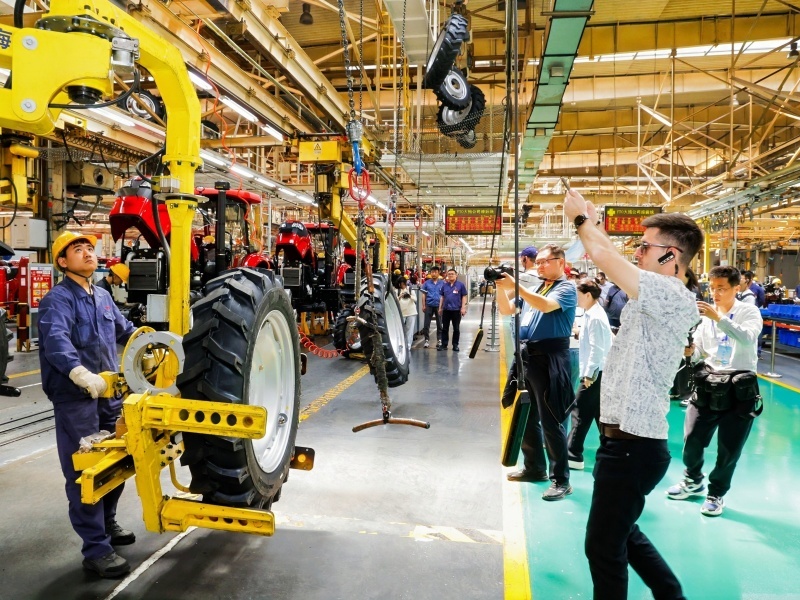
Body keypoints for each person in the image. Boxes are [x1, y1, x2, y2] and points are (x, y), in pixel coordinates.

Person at [565, 189, 704, 600]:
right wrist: (593, 225)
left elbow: (604, 257)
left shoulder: (670, 294)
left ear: (671, 256)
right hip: (623, 446)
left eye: (645, 247)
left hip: (634, 449)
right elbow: (608, 254)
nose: (638, 253)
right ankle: (671, 594)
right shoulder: (654, 292)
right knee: (623, 533)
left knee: (602, 547)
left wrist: (580, 221)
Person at [38, 232, 137, 578]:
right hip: (76, 398)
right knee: (85, 470)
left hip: (109, 394)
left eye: (90, 249)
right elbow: (56, 341)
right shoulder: (57, 300)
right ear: (62, 262)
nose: (87, 253)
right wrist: (79, 374)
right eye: (78, 249)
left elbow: (126, 331)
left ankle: (107, 523)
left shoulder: (104, 297)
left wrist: (151, 342)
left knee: (117, 461)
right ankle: (96, 550)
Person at [666, 266, 762, 516]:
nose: (715, 293)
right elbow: (701, 350)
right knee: (692, 437)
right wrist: (691, 351)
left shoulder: (749, 312)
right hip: (708, 384)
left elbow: (748, 337)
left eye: (722, 288)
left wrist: (719, 318)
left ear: (736, 288)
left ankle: (716, 493)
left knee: (729, 448)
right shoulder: (707, 316)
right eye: (712, 288)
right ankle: (693, 479)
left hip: (739, 388)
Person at [495, 244, 577, 501]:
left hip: (550, 358)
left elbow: (545, 306)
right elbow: (507, 310)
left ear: (560, 262)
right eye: (538, 262)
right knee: (527, 416)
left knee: (551, 420)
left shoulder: (565, 289)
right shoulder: (539, 288)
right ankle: (534, 467)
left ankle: (561, 480)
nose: (539, 266)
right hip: (528, 357)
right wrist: (500, 287)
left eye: (544, 262)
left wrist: (517, 286)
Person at [567, 279, 613, 471]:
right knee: (598, 413)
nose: (576, 299)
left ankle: (573, 454)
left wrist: (588, 375)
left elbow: (597, 349)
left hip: (595, 373)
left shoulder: (595, 317)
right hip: (598, 372)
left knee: (579, 411)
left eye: (578, 295)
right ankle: (611, 449)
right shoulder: (590, 314)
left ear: (587, 295)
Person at [438, 268, 468, 352]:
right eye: (449, 274)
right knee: (445, 328)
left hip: (456, 310)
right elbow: (442, 297)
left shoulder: (460, 285)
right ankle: (444, 344)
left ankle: (455, 345)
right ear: (447, 275)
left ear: (456, 275)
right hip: (446, 309)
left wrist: (463, 307)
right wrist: (440, 308)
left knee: (456, 328)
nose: (450, 275)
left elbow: (464, 296)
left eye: (452, 274)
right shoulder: (444, 285)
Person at [420, 266, 445, 349]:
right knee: (426, 324)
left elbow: (444, 295)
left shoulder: (443, 283)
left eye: (435, 272)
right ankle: (426, 340)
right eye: (432, 272)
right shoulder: (426, 283)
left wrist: (443, 306)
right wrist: (423, 305)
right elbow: (424, 295)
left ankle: (439, 340)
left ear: (438, 273)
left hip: (439, 306)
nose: (434, 274)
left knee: (439, 323)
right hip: (429, 305)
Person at [396, 278, 417, 351]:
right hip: (401, 312)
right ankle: (400, 344)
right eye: (401, 284)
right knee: (400, 329)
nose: (403, 286)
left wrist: (409, 296)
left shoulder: (410, 289)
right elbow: (395, 301)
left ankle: (408, 346)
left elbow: (415, 299)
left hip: (411, 312)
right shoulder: (397, 290)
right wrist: (400, 296)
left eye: (403, 284)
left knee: (409, 330)